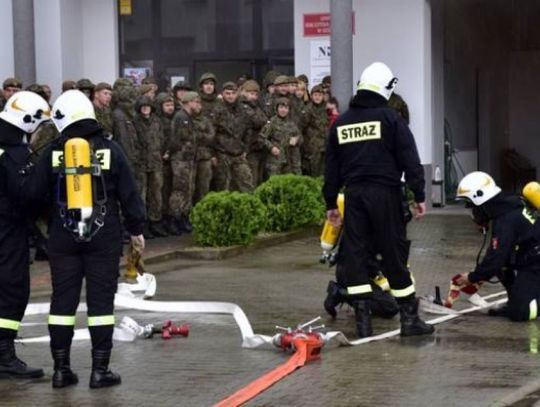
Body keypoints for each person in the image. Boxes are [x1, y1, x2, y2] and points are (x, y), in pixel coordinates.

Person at [25, 90, 145, 389]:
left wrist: (49, 225)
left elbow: (33, 195)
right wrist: (136, 230)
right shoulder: (110, 149)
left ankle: (61, 370)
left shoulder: (52, 152)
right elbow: (130, 193)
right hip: (104, 234)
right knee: (100, 303)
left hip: (62, 236)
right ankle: (100, 371)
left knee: (62, 302)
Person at [323, 62, 433, 338]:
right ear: (386, 88)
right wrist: (419, 194)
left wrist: (331, 204)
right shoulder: (390, 119)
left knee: (357, 254)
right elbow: (410, 159)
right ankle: (409, 319)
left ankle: (363, 323)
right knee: (393, 253)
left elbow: (331, 168)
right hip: (385, 194)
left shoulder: (342, 123)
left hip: (354, 196)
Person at [0, 91, 50, 379]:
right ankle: (4, 355)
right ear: (29, 121)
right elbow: (28, 195)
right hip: (8, 232)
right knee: (12, 290)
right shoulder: (15, 153)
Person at [454, 172, 540, 321]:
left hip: (535, 263)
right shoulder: (508, 206)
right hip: (531, 259)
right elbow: (496, 253)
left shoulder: (505, 221)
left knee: (521, 313)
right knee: (502, 265)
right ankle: (515, 300)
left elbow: (495, 259)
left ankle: (519, 305)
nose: (473, 214)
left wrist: (472, 277)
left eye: (473, 208)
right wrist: (480, 274)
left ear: (481, 201)